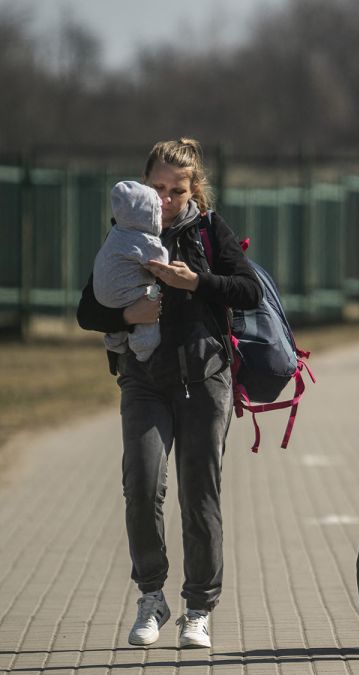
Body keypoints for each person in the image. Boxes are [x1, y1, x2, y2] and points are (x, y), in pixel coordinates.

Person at [76, 138, 262, 649]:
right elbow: (86, 309)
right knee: (141, 482)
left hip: (204, 379)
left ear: (192, 189)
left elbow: (250, 290)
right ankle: (152, 596)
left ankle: (198, 608)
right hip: (143, 379)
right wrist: (125, 317)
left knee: (198, 494)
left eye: (176, 191)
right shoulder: (125, 232)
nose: (164, 200)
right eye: (156, 188)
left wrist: (196, 281)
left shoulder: (208, 230)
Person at [91, 180, 170, 362]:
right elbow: (161, 264)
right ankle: (144, 348)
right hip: (124, 293)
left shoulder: (118, 232)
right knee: (150, 296)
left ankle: (114, 341)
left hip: (102, 295)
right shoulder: (143, 239)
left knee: (125, 303)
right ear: (147, 214)